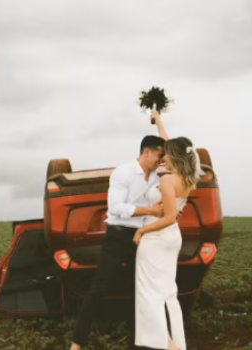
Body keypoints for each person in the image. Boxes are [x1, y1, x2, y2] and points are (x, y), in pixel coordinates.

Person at [69, 110, 171, 350]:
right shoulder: (123, 172)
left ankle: (143, 342)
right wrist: (150, 211)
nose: (161, 160)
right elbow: (114, 208)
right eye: (159, 155)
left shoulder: (158, 175)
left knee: (145, 290)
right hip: (117, 237)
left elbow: (172, 148)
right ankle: (76, 345)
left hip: (143, 238)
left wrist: (158, 120)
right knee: (98, 290)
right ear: (146, 151)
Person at [132, 112, 204, 350]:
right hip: (172, 239)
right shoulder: (188, 177)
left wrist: (141, 232)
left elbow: (170, 217)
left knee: (149, 294)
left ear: (173, 156)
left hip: (156, 238)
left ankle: (161, 344)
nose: (162, 158)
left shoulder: (167, 181)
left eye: (165, 154)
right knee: (166, 292)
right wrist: (159, 121)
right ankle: (173, 344)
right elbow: (173, 215)